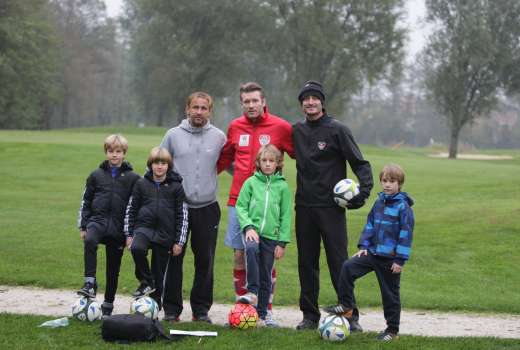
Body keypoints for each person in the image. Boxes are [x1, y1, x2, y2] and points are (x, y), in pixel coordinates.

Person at [292, 80, 374, 330]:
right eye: (305, 99)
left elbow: (360, 163)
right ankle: (309, 315)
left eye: (314, 98)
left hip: (331, 209)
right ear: (302, 104)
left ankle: (350, 314)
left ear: (322, 101)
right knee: (307, 263)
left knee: (339, 262)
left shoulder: (338, 130)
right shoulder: (296, 130)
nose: (310, 102)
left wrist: (362, 194)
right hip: (304, 207)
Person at [217, 82, 294, 326]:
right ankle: (243, 311)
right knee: (240, 255)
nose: (250, 105)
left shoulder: (281, 127)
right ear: (242, 103)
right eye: (246, 101)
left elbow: (300, 154)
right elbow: (225, 159)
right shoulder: (234, 126)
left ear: (263, 102)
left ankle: (266, 309)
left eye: (254, 101)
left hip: (268, 206)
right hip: (238, 202)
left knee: (266, 259)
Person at [322, 163, 415, 342]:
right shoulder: (379, 202)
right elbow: (370, 225)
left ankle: (392, 331)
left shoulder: (403, 207)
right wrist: (364, 247)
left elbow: (406, 235)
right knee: (348, 267)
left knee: (390, 295)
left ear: (400, 183)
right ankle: (346, 305)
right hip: (372, 253)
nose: (387, 185)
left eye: (392, 181)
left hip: (390, 259)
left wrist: (400, 260)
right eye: (384, 181)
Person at [160, 92, 226, 323]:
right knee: (173, 257)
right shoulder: (173, 135)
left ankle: (200, 310)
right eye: (195, 107)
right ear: (187, 109)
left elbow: (234, 166)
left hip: (207, 207)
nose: (199, 112)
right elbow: (159, 164)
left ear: (210, 111)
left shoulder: (219, 137)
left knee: (205, 260)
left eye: (203, 108)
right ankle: (171, 309)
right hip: (177, 207)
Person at [77, 134, 140, 317]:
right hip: (97, 221)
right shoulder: (96, 175)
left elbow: (135, 206)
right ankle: (89, 282)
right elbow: (86, 200)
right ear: (106, 152)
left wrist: (131, 232)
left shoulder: (132, 178)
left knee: (114, 267)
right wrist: (83, 226)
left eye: (118, 151)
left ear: (124, 153)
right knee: (90, 241)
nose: (114, 155)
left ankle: (108, 304)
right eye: (111, 151)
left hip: (119, 227)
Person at [235, 145, 292, 327]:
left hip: (271, 237)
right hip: (253, 231)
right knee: (250, 250)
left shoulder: (282, 186)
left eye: (271, 161)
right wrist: (248, 226)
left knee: (266, 274)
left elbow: (286, 216)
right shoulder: (251, 182)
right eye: (264, 161)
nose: (267, 164)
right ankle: (252, 291)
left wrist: (281, 243)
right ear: (258, 163)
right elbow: (241, 206)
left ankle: (262, 314)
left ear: (278, 163)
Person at [124, 147, 188, 309]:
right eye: (156, 163)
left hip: (165, 233)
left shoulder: (176, 187)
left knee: (159, 273)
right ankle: (146, 280)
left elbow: (183, 215)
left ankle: (154, 308)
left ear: (168, 165)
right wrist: (129, 234)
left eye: (163, 163)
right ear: (150, 165)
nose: (159, 167)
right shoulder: (141, 183)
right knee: (137, 249)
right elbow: (131, 209)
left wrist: (179, 242)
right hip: (143, 228)